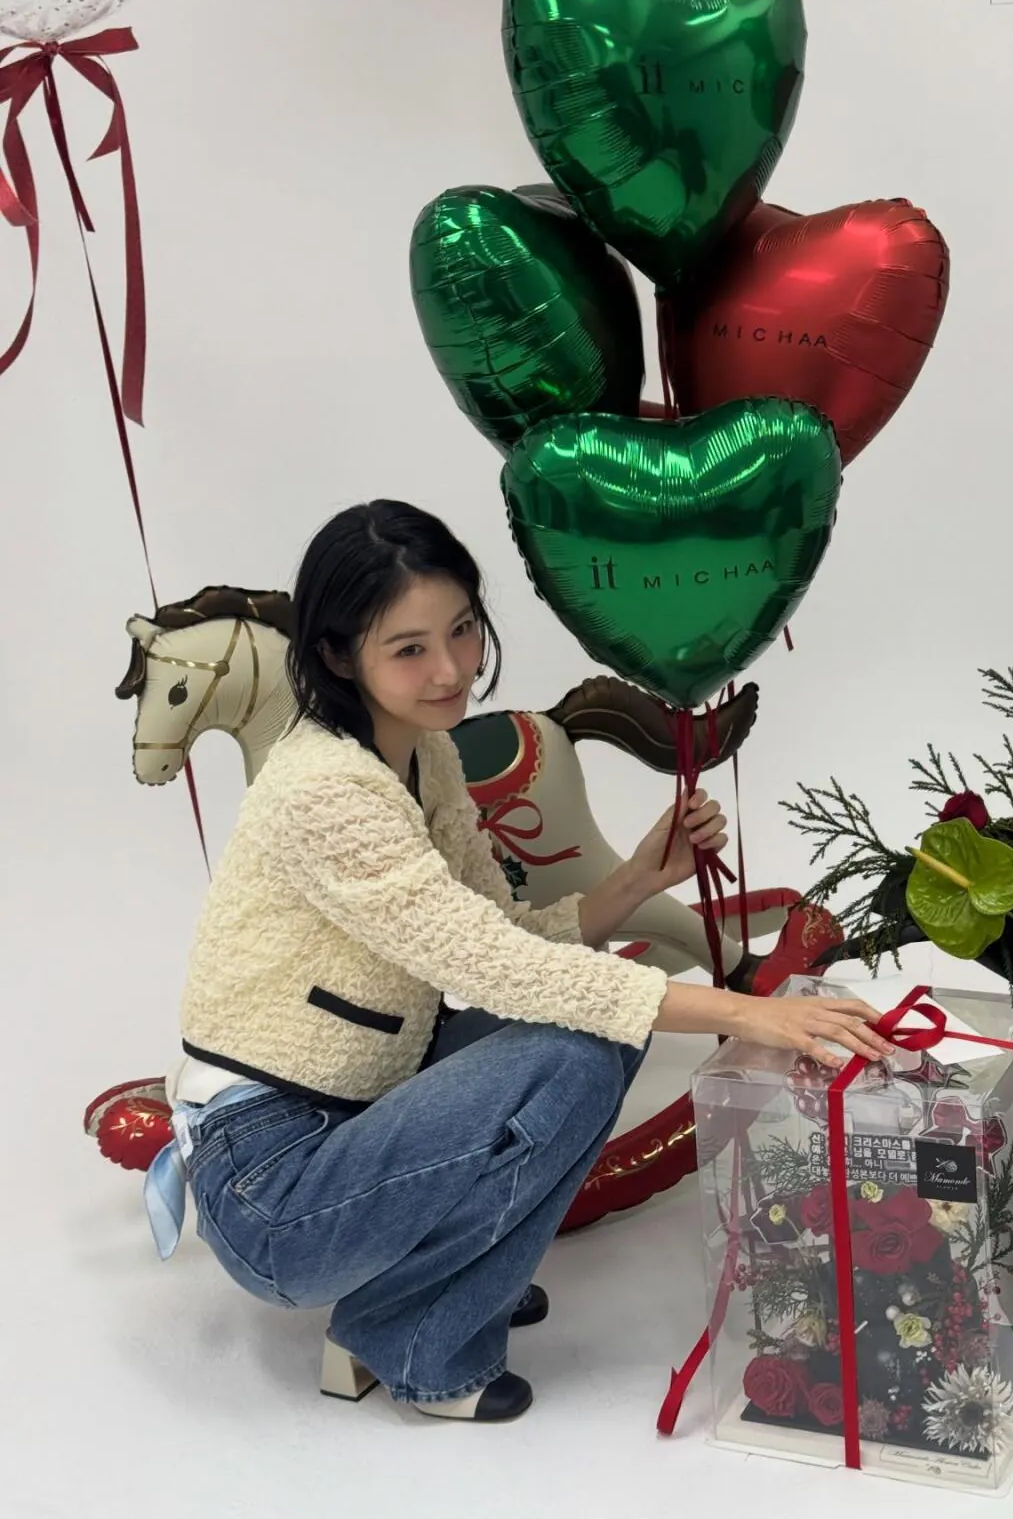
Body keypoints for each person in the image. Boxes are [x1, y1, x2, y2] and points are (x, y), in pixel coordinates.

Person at [144, 501, 891, 1424]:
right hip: (273, 1186)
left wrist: (635, 878)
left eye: (462, 629)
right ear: (337, 655)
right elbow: (499, 966)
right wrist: (747, 1011)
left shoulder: (424, 756)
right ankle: (415, 1334)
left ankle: (432, 1283)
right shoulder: (325, 789)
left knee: (599, 1030)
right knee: (580, 1044)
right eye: (410, 648)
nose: (452, 668)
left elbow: (506, 933)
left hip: (354, 1107)